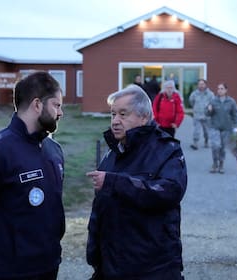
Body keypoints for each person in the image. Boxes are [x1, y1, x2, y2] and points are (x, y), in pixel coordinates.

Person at [0, 71, 66, 280]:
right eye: (56, 105)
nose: (60, 113)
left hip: (48, 266)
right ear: (37, 105)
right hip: (9, 271)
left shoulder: (54, 150)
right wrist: (0, 248)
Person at [86, 84, 187, 280]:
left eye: (123, 114)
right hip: (111, 264)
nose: (115, 121)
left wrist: (115, 183)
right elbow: (100, 208)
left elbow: (170, 192)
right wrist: (95, 253)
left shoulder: (167, 150)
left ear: (143, 117)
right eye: (112, 114)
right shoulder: (113, 153)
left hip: (152, 267)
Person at [205, 83, 237, 173]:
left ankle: (221, 164)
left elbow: (235, 114)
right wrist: (209, 110)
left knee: (222, 147)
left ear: (226, 90)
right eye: (218, 88)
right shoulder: (213, 100)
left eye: (222, 89)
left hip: (226, 128)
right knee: (215, 146)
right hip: (214, 127)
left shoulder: (231, 101)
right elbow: (207, 113)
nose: (219, 90)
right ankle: (214, 163)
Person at [188, 79, 214, 150]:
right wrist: (196, 108)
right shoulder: (194, 94)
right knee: (196, 130)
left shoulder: (210, 94)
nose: (201, 85)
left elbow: (213, 103)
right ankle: (195, 143)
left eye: (202, 84)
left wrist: (210, 106)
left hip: (206, 116)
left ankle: (206, 141)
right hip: (197, 115)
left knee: (207, 131)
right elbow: (191, 102)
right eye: (200, 84)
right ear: (198, 85)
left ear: (205, 85)